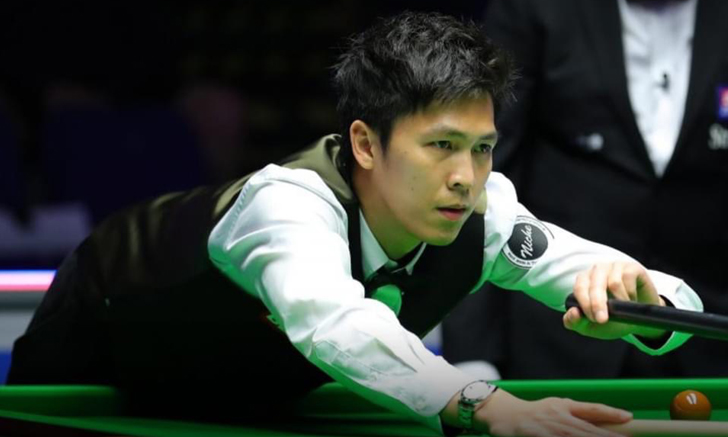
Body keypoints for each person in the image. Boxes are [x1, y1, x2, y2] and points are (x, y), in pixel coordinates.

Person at [8, 11, 703, 437]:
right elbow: (336, 322)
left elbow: (660, 297)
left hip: (251, 400)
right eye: (441, 145)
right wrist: (484, 403)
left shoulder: (484, 213)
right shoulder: (285, 206)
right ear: (366, 144)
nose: (466, 175)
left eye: (482, 147)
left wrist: (643, 304)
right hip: (96, 359)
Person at [442, 0, 728, 381]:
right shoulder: (537, 9)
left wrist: (664, 301)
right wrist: (472, 361)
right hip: (559, 339)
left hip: (709, 345)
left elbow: (683, 299)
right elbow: (481, 184)